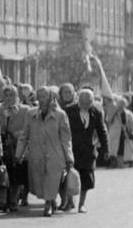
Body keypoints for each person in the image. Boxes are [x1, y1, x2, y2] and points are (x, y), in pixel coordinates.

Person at [25, 85, 72, 217]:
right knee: (41, 179)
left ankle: (47, 205)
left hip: (55, 153)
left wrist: (69, 157)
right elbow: (24, 135)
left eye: (44, 96)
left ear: (51, 97)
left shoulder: (60, 115)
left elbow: (66, 138)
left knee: (52, 178)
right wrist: (19, 153)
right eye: (39, 96)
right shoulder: (31, 113)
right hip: (37, 152)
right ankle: (50, 201)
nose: (42, 99)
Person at [65, 88, 108, 213]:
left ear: (92, 102)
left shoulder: (97, 112)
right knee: (70, 176)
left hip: (88, 150)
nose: (84, 106)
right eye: (82, 103)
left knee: (86, 178)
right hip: (72, 149)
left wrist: (106, 149)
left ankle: (81, 204)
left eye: (87, 104)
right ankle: (69, 201)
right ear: (78, 100)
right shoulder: (68, 110)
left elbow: (102, 131)